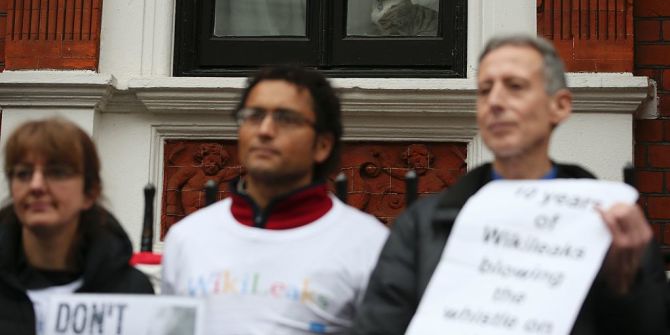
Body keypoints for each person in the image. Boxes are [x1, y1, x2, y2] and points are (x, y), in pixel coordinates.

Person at [351, 35, 667, 335]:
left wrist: (624, 285)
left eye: (515, 87)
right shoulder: (423, 224)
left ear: (559, 106)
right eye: (485, 90)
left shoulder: (615, 228)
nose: (496, 102)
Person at [161, 66, 389, 334]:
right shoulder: (187, 238)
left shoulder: (368, 243)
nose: (265, 130)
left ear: (322, 145)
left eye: (286, 119)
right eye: (253, 116)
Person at [0, 118, 154, 335]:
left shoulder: (130, 291)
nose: (35, 185)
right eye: (23, 174)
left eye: (57, 173)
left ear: (90, 193)